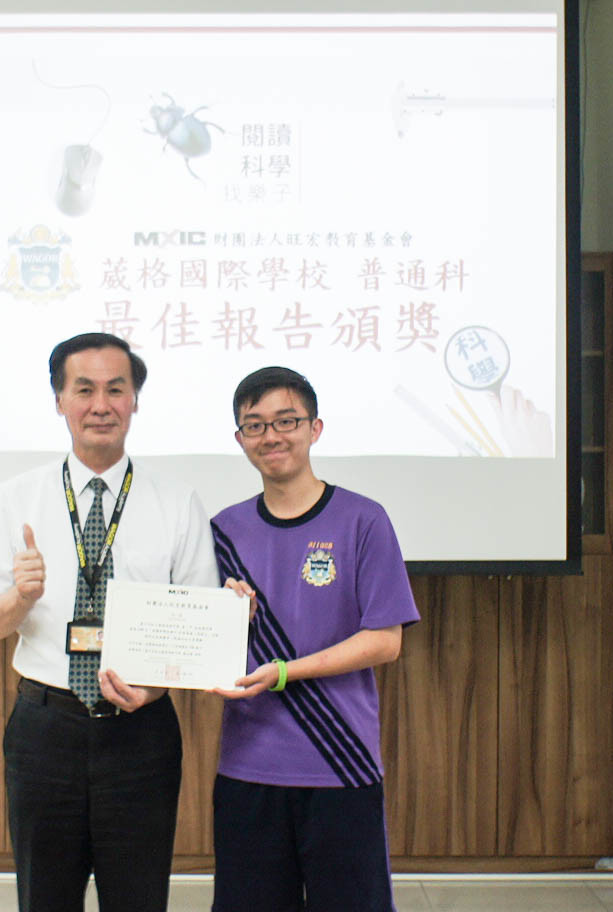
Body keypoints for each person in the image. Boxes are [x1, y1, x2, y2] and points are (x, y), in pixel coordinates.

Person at [0, 332, 219, 912]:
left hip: (140, 731)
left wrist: (157, 688)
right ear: (60, 401)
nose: (101, 405)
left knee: (138, 898)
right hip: (46, 730)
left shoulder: (177, 501)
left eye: (115, 389)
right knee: (45, 899)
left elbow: (199, 632)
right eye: (84, 390)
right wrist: (20, 598)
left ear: (134, 401)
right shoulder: (16, 497)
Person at [208, 366, 420, 912]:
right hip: (248, 764)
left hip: (341, 763)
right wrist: (224, 618)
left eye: (286, 421)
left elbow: (385, 641)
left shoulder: (363, 520)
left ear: (314, 428)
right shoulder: (223, 531)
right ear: (240, 439)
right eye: (255, 425)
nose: (271, 436)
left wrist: (285, 672)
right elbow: (203, 645)